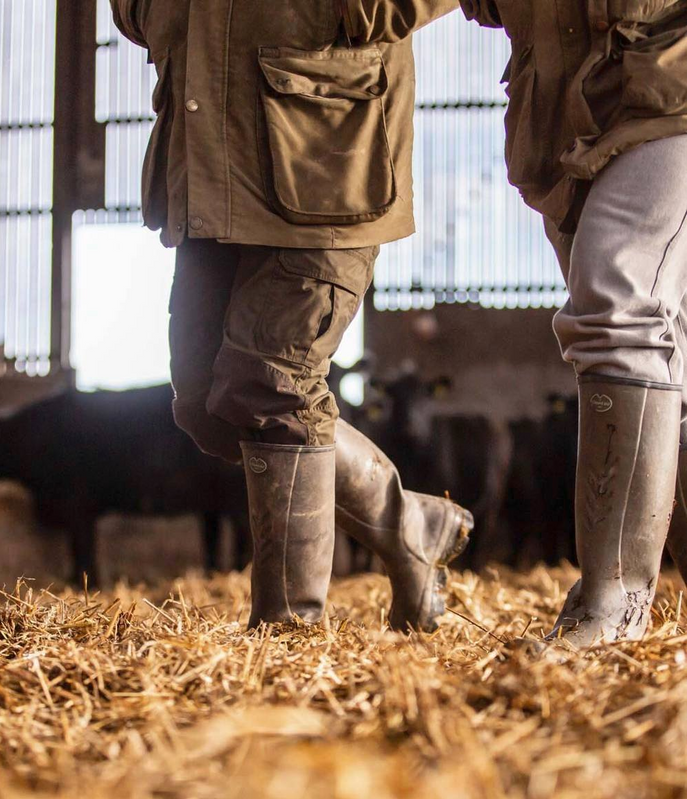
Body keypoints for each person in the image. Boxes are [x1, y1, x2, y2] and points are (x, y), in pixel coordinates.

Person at [109, 0, 473, 632]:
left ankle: (289, 628)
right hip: (213, 168)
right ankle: (411, 524)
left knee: (273, 383)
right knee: (205, 403)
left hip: (324, 164)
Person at [461, 0, 687, 645]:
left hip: (670, 89)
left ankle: (613, 601)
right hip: (567, 117)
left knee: (614, 306)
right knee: (671, 356)